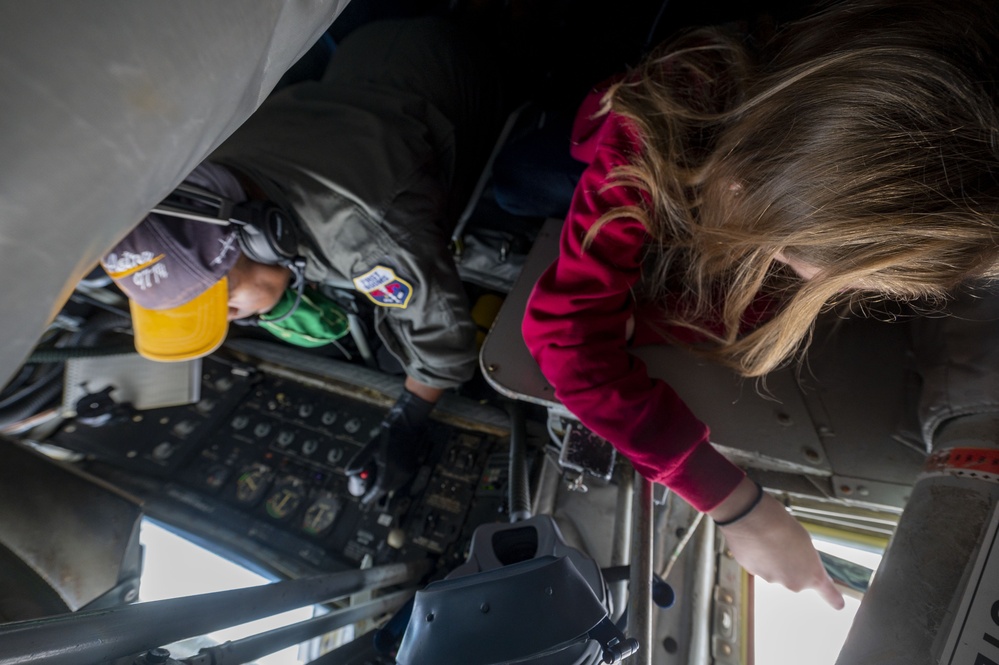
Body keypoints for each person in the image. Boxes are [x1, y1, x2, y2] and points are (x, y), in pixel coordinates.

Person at [522, 0, 999, 609]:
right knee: (519, 187)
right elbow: (566, 343)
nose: (855, 299)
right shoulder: (642, 153)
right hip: (596, 150)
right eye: (849, 282)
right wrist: (739, 507)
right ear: (754, 207)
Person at [101, 17, 505, 504]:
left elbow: (446, 347)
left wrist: (408, 419)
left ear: (264, 240)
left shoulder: (366, 238)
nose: (235, 317)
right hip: (370, 46)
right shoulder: (213, 168)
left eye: (226, 304)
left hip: (454, 67)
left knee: (516, 197)